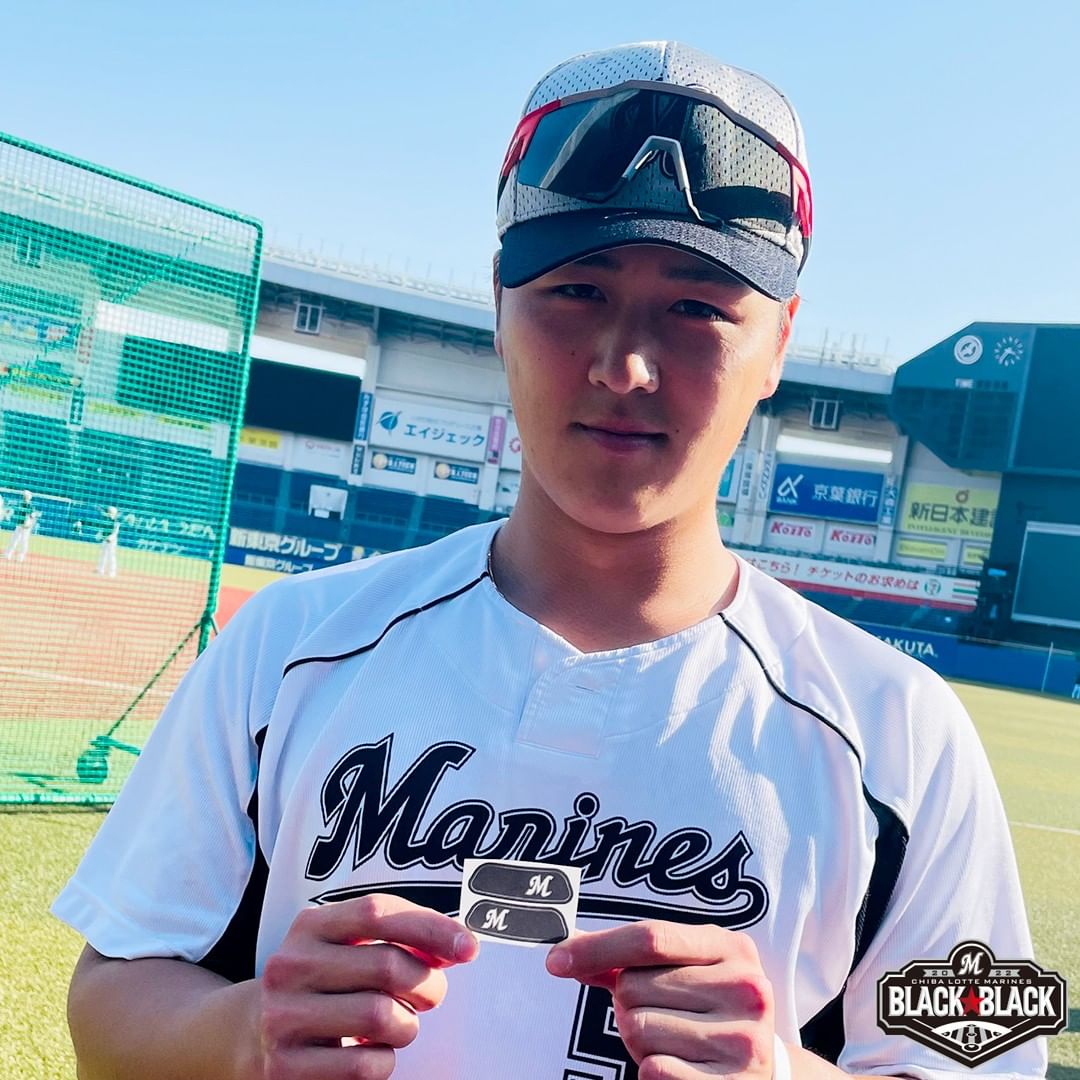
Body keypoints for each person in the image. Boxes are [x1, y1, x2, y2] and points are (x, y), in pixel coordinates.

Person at [54, 41, 1045, 1080]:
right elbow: (110, 1003)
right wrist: (242, 1033)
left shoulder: (899, 733)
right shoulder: (287, 649)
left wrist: (785, 1075)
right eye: (575, 289)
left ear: (780, 344)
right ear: (498, 303)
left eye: (699, 308)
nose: (625, 366)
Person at [3, 490, 39, 562]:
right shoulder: (20, 504)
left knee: (24, 541)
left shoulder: (30, 506)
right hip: (19, 525)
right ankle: (8, 554)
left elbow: (33, 517)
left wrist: (30, 525)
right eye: (24, 495)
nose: (24, 497)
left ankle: (21, 557)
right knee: (14, 540)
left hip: (26, 527)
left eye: (26, 496)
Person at [95, 505, 120, 578]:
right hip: (105, 540)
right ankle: (100, 570)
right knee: (103, 555)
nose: (108, 513)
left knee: (111, 556)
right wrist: (100, 535)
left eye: (109, 511)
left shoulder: (116, 522)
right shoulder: (106, 520)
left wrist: (110, 538)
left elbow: (115, 532)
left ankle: (112, 572)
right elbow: (103, 529)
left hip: (112, 541)